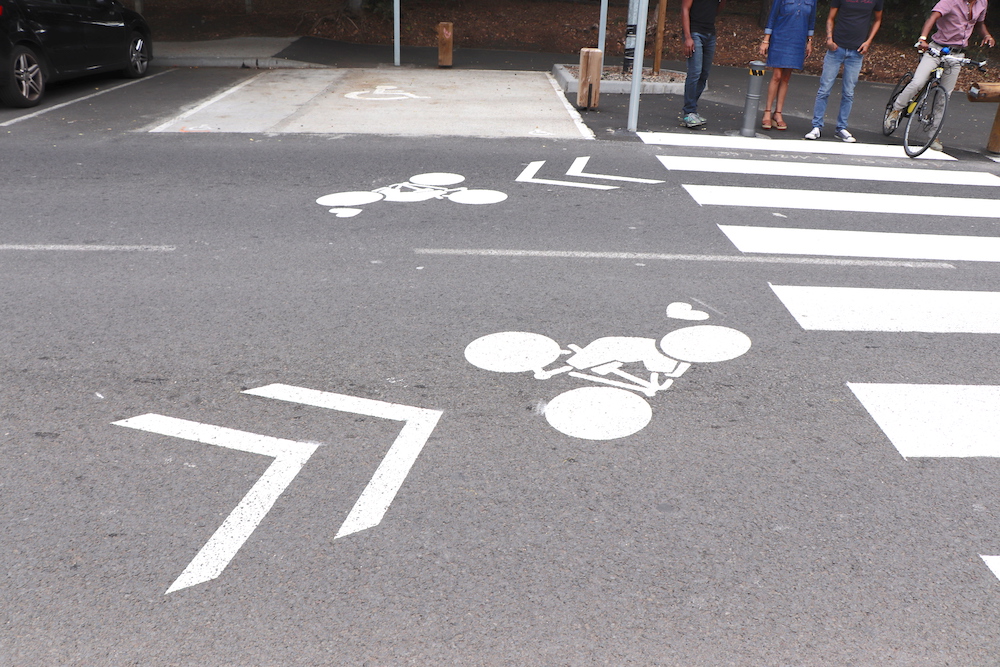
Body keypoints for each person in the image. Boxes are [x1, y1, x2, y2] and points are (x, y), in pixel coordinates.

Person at [884, 0, 995, 151]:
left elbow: (980, 23)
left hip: (957, 54)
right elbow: (933, 17)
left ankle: (933, 134)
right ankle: (896, 110)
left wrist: (986, 35)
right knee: (918, 82)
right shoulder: (950, 1)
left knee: (944, 96)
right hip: (936, 49)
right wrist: (923, 39)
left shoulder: (982, 3)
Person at [805, 0, 884, 142]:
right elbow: (830, 17)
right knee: (825, 88)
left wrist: (869, 41)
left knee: (849, 92)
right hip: (837, 47)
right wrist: (829, 39)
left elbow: (878, 20)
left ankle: (841, 127)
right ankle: (816, 126)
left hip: (857, 51)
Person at [759, 0, 817, 131]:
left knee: (786, 77)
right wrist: (766, 40)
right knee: (777, 75)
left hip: (798, 40)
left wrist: (809, 42)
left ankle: (778, 113)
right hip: (780, 37)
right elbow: (772, 16)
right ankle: (767, 111)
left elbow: (811, 21)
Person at [679, 0, 726, 128]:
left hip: (710, 33)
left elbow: (716, 9)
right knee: (695, 72)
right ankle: (689, 111)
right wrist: (688, 37)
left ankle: (692, 109)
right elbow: (685, 9)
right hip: (695, 32)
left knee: (704, 74)